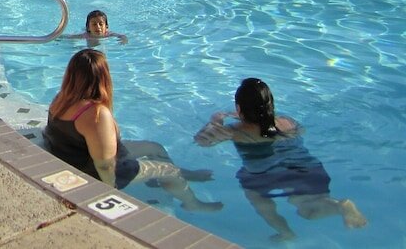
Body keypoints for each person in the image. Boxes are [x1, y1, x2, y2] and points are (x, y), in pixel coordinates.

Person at [43, 49, 222, 213]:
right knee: (169, 170)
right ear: (103, 77)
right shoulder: (96, 114)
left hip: (77, 152)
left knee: (155, 148)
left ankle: (181, 175)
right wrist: (110, 190)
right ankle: (192, 203)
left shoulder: (61, 99)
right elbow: (105, 165)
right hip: (92, 168)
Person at [194, 78, 366, 241]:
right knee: (309, 211)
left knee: (255, 194)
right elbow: (298, 132)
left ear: (239, 109)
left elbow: (202, 141)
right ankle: (339, 205)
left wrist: (215, 121)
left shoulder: (234, 131)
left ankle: (285, 233)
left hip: (263, 175)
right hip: (305, 166)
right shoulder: (287, 121)